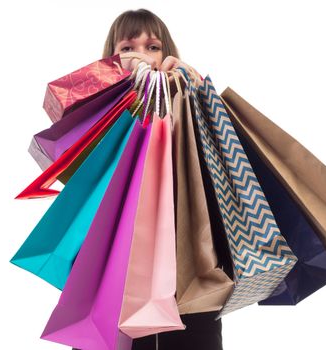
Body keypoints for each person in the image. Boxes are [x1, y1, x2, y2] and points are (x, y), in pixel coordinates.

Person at [72, 9, 224, 350]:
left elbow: (223, 174)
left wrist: (198, 92)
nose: (141, 54)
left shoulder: (191, 105)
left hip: (188, 271)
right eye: (127, 47)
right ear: (112, 59)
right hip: (113, 267)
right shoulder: (97, 113)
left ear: (166, 55)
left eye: (152, 46)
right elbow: (71, 167)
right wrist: (107, 83)